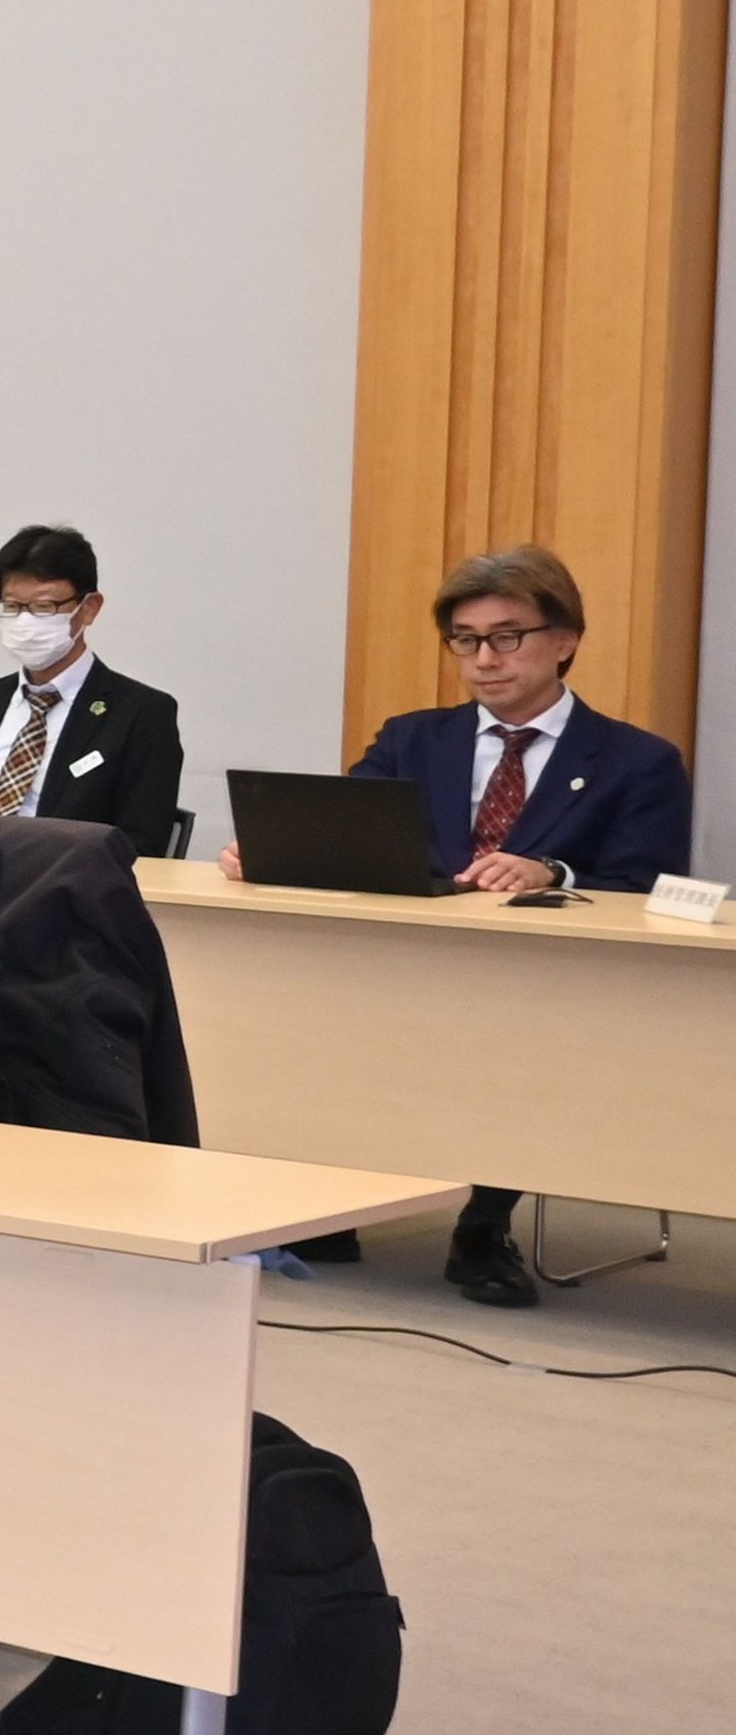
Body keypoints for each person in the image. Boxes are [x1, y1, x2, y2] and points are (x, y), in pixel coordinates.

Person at [234, 543, 692, 1309]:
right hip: (406, 969)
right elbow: (348, 831)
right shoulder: (412, 739)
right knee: (307, 1006)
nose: (484, 659)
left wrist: (554, 872)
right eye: (465, 640)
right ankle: (336, 1198)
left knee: (507, 1035)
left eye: (506, 636)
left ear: (564, 639)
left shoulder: (636, 761)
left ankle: (483, 1223)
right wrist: (275, 848)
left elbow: (649, 887)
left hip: (551, 987)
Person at [0, 524, 187, 861]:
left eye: (44, 607)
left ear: (89, 607)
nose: (26, 622)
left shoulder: (141, 713)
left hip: (64, 884)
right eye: (12, 607)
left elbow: (141, 844)